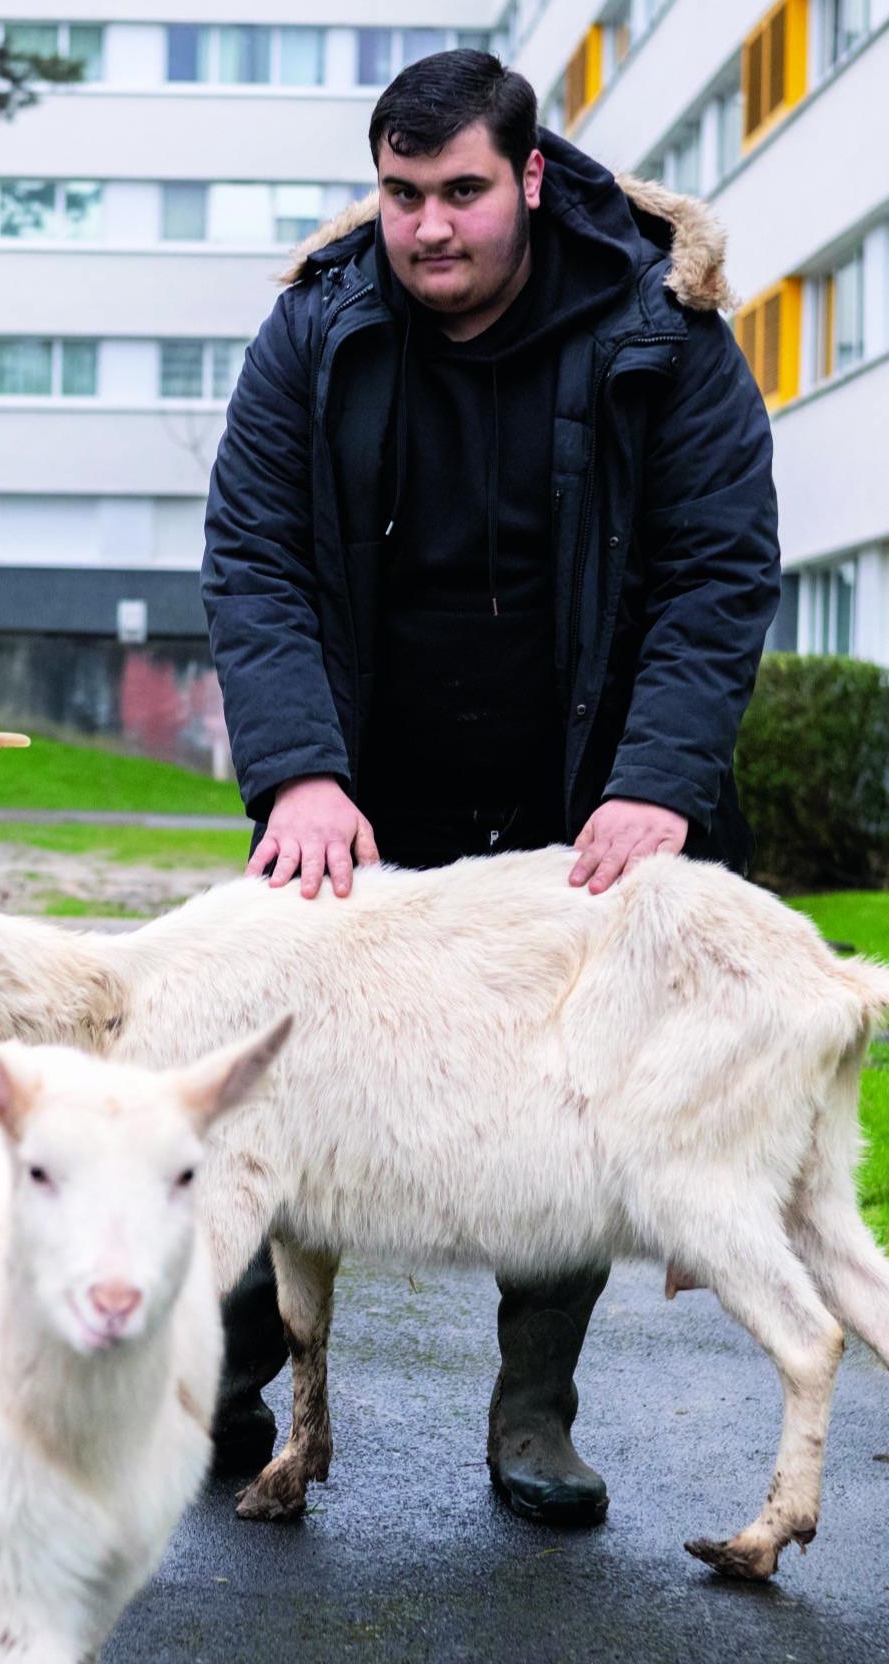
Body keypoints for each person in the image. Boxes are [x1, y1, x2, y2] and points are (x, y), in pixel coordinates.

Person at [196, 49, 780, 1527]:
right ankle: (225, 1369)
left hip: (580, 792)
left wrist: (656, 785)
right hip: (359, 796)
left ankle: (534, 1414)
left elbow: (716, 573)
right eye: (400, 194)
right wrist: (299, 774)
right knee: (278, 1084)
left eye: (461, 191)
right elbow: (252, 554)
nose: (429, 227)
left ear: (528, 177)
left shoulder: (666, 331)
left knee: (568, 1088)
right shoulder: (315, 331)